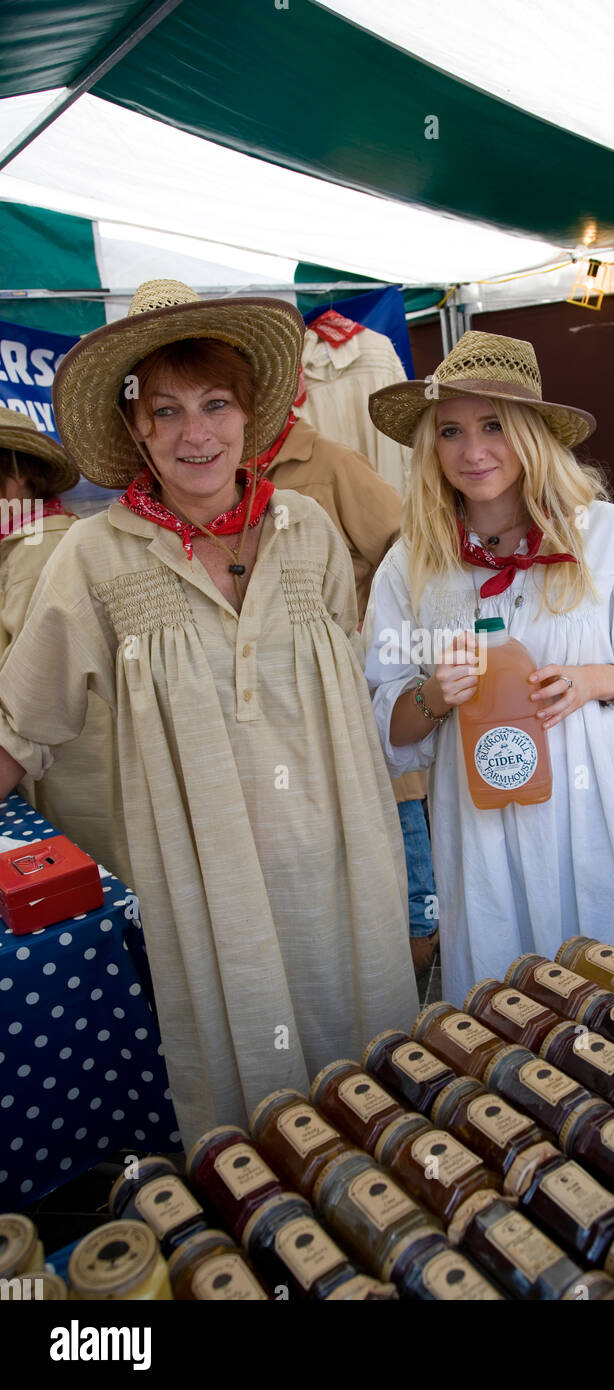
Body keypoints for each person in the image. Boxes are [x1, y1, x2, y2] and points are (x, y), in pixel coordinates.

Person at [0, 279, 418, 1149]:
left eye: (216, 404)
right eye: (168, 410)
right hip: (210, 881)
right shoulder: (94, 554)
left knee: (371, 1074)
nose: (197, 434)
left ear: (248, 413)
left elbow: (339, 674)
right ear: (137, 429)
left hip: (344, 860)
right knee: (258, 1102)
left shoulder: (308, 529)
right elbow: (23, 723)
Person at [364, 330, 614, 1006]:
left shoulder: (604, 536)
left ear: (531, 434)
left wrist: (593, 680)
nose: (473, 450)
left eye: (493, 425)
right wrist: (435, 695)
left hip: (595, 818)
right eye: (451, 431)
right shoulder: (413, 563)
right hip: (481, 832)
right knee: (506, 1019)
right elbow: (388, 723)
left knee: (612, 1012)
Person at [265, 407, 439, 976]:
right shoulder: (222, 471)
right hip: (285, 715)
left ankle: (418, 959)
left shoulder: (332, 463)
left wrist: (368, 626)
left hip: (356, 685)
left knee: (398, 804)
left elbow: (409, 546)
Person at [0, 408, 131, 885]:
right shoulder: (21, 543)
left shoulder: (39, 546)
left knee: (91, 870)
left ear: (18, 473)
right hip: (40, 757)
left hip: (67, 763)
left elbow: (27, 682)